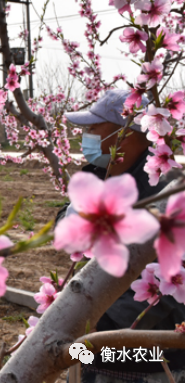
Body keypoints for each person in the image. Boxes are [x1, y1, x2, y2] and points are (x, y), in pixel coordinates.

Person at [59, 89, 185, 382]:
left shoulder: (165, 193)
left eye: (92, 128)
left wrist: (99, 322)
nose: (85, 136)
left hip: (141, 361)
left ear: (123, 134)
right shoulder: (100, 175)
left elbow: (172, 278)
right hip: (89, 344)